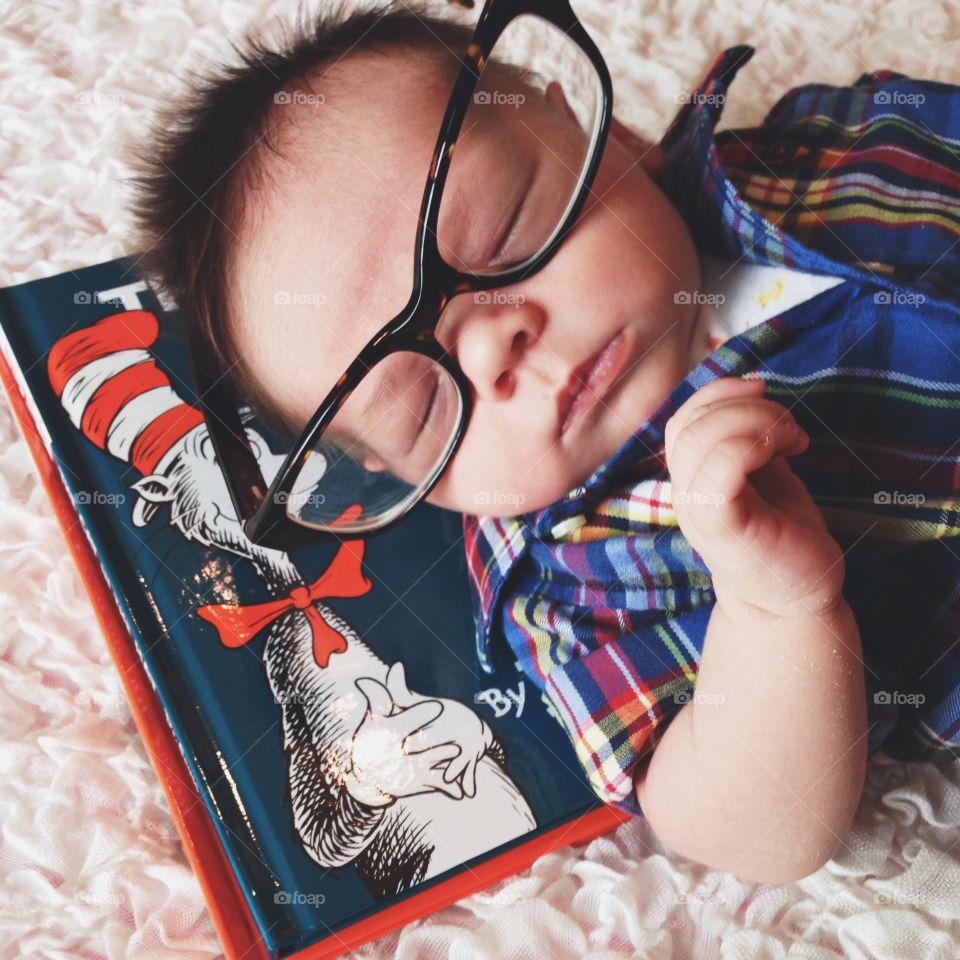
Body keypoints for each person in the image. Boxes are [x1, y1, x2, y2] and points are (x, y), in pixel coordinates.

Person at [127, 4, 960, 884]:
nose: (494, 340)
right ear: (399, 478)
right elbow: (750, 832)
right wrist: (776, 610)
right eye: (420, 402)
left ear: (609, 133)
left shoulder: (817, 146)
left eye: (506, 231)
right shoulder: (577, 575)